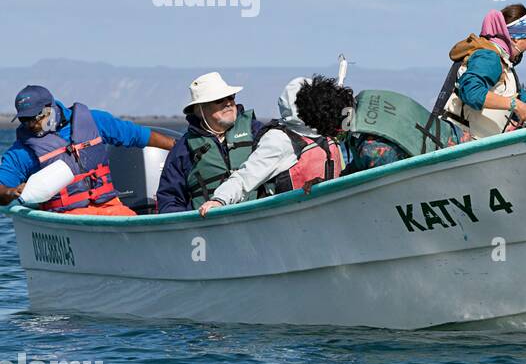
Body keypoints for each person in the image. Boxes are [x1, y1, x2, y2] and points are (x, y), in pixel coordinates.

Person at [0, 84, 175, 215]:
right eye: (25, 120)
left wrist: (180, 147)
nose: (31, 125)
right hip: (65, 217)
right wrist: (10, 192)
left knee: (135, 225)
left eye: (35, 118)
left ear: (50, 109)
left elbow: (139, 135)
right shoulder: (21, 152)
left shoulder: (93, 121)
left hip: (110, 206)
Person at [198, 75, 350, 217]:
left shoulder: (325, 132)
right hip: (292, 218)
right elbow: (245, 177)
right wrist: (219, 200)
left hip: (327, 213)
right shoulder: (280, 140)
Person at [439, 4, 526, 141]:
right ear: (515, 38)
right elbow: (471, 92)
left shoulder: (506, 68)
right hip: (457, 140)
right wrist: (514, 105)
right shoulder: (489, 58)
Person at [156, 72, 263, 214]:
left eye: (231, 97)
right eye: (219, 100)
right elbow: (170, 199)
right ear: (200, 110)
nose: (228, 103)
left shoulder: (256, 131)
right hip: (212, 227)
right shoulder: (183, 149)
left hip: (259, 216)